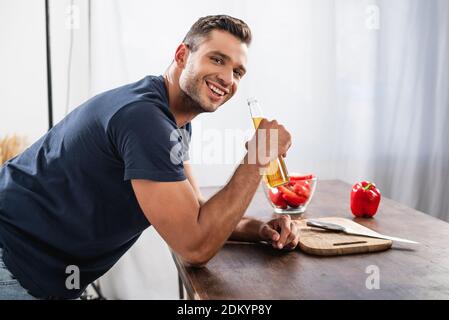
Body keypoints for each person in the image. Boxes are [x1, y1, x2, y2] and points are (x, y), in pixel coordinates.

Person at [0, 15, 297, 300]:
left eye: (237, 71)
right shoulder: (144, 119)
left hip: (36, 273)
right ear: (182, 55)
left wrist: (258, 229)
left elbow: (196, 210)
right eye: (217, 59)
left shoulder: (172, 121)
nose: (226, 77)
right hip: (12, 262)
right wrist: (258, 158)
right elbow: (194, 246)